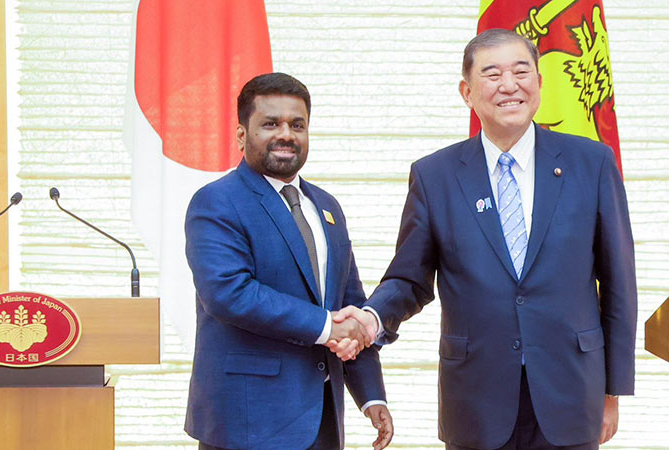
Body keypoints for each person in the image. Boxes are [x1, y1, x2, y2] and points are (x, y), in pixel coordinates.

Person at [333, 29, 637, 450]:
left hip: (571, 393)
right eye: (492, 74)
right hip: (475, 399)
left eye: (520, 71)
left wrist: (613, 390)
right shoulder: (435, 176)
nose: (509, 85)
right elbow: (409, 279)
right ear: (467, 92)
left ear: (539, 83)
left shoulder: (591, 162)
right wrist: (370, 319)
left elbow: (619, 283)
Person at [184, 72, 393, 450]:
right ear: (241, 135)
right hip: (248, 425)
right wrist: (328, 326)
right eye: (270, 124)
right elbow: (230, 293)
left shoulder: (327, 207)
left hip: (323, 423)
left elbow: (349, 304)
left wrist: (371, 396)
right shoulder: (217, 202)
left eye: (297, 125)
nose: (286, 134)